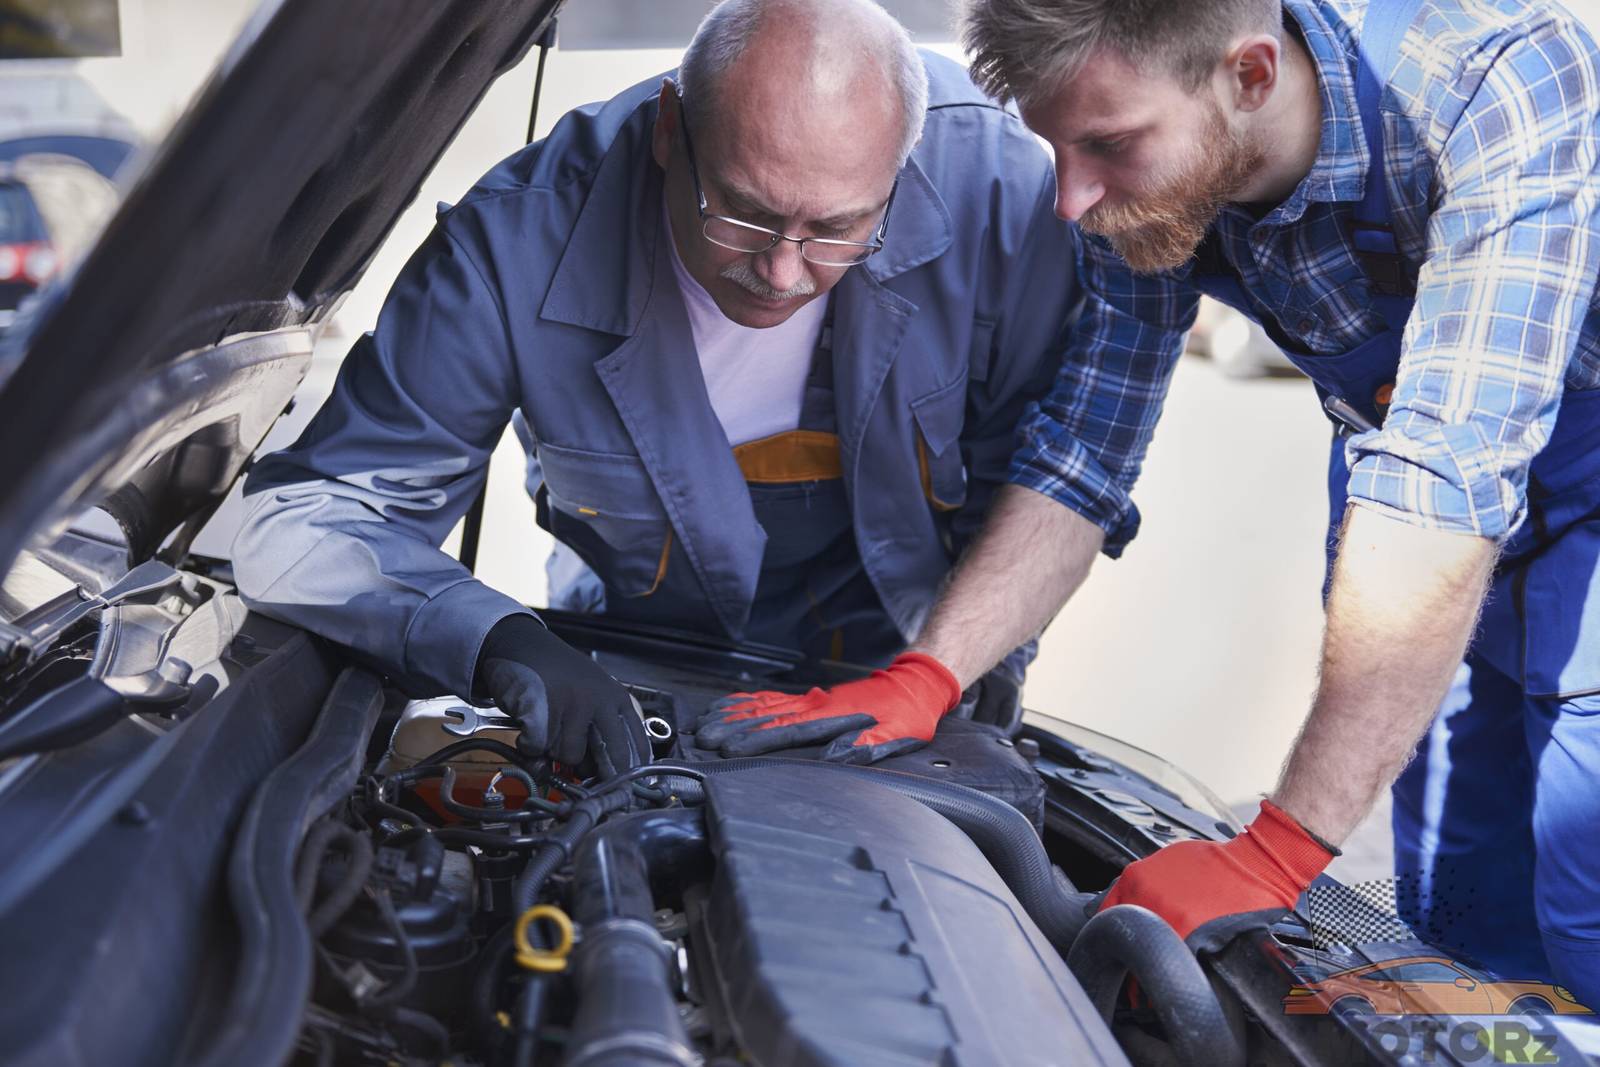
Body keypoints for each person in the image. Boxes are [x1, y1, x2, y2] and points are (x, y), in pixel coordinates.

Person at [729, 0, 1600, 1000]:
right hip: (1416, 482)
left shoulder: (1494, 85)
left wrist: (1278, 849)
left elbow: (1444, 481)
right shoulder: (1138, 183)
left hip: (1495, 485)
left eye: (1107, 145)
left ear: (1252, 77)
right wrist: (928, 671)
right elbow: (1084, 451)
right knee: (1461, 905)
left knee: (1584, 906)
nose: (1069, 196)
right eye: (1056, 147)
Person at [231, 0, 1080, 774]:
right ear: (672, 130)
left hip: (897, 689)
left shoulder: (1003, 197)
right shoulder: (516, 247)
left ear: (903, 164)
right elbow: (309, 516)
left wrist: (966, 682)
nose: (783, 272)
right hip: (631, 671)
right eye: (743, 211)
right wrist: (495, 637)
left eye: (837, 227)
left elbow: (1056, 477)